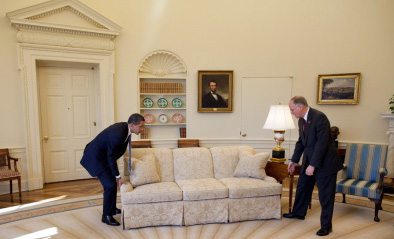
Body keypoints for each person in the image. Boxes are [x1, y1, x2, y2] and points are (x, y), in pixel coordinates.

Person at [283, 96, 342, 236]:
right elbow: (301, 142)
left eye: (292, 109)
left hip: (326, 163)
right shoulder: (301, 121)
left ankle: (327, 226)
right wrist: (294, 160)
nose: (291, 112)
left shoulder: (320, 118)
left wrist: (313, 165)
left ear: (300, 107)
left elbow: (321, 144)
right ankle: (298, 213)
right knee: (303, 186)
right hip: (310, 159)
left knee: (325, 196)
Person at [80, 113, 145, 226]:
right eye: (141, 126)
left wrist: (116, 176)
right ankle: (106, 216)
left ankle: (112, 208)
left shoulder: (125, 129)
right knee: (110, 185)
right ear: (132, 125)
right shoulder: (118, 134)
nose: (142, 129)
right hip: (96, 158)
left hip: (103, 157)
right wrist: (118, 176)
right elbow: (111, 156)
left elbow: (112, 154)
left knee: (111, 184)